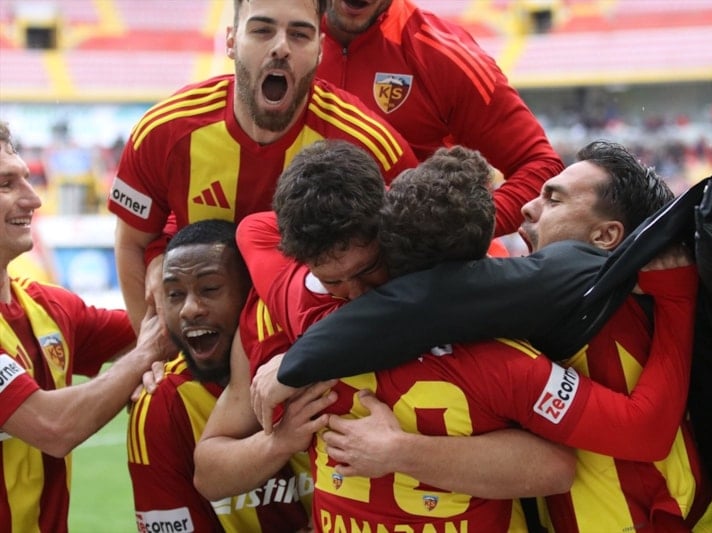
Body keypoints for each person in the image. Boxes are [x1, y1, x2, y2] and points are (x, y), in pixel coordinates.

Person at [249, 141, 712, 531]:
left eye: (553, 199)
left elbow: (604, 448)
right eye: (331, 280)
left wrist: (398, 449)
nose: (527, 206)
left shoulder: (526, 328)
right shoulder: (504, 336)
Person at [194, 141, 577, 525]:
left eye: (368, 269)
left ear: (390, 227)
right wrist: (276, 443)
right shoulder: (272, 315)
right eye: (332, 281)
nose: (356, 294)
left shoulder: (472, 288)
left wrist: (403, 452)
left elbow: (556, 466)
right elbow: (209, 474)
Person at [107, 0, 419, 330]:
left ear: (319, 50)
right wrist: (156, 347)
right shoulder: (164, 131)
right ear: (231, 41)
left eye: (299, 35)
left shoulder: (369, 142)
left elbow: (417, 251)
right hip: (205, 338)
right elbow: (132, 242)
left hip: (317, 342)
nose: (281, 47)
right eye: (261, 30)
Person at [0, 123, 170, 532]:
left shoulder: (49, 306)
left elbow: (160, 332)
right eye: (6, 184)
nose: (33, 198)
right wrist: (145, 358)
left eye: (27, 178)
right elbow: (54, 426)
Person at [127, 219, 319, 532]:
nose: (189, 309)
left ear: (254, 293)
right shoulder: (163, 401)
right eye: (174, 294)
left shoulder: (313, 356)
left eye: (210, 289)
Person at [318, 0, 564, 236]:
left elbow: (541, 165)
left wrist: (463, 230)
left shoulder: (443, 54)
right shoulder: (295, 42)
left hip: (410, 257)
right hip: (304, 247)